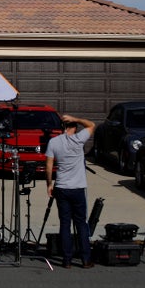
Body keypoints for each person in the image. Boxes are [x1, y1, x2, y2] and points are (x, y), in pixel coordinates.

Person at [45, 114, 96, 269]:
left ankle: (66, 260)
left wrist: (49, 184)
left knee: (65, 224)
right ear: (73, 128)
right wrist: (77, 118)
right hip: (78, 188)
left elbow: (48, 166)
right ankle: (85, 259)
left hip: (62, 187)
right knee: (81, 223)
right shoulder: (78, 139)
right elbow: (91, 124)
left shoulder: (54, 142)